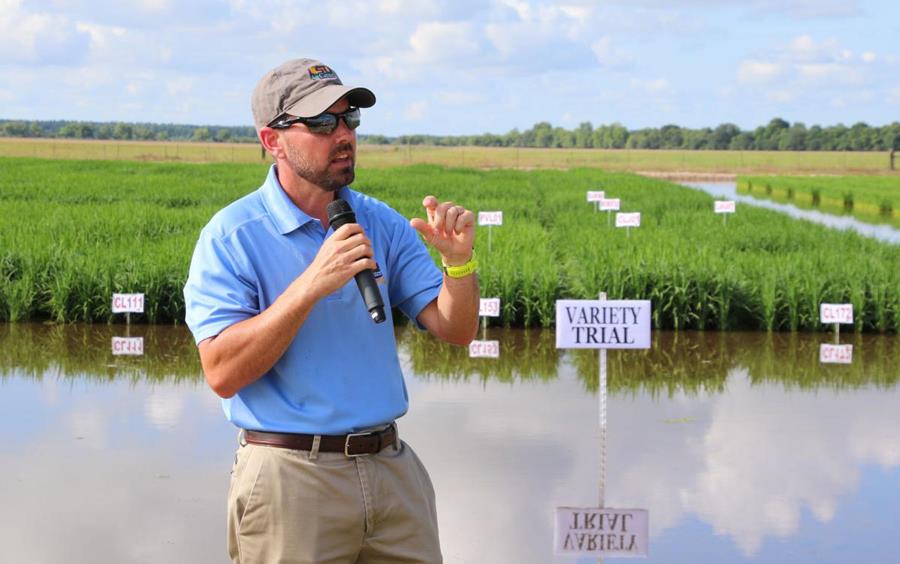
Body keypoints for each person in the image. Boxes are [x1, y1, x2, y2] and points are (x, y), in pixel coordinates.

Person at [183, 58, 480, 564]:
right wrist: (309, 286)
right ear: (272, 140)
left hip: (392, 471)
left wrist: (458, 264)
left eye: (350, 120)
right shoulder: (231, 237)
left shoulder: (379, 222)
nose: (343, 134)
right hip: (290, 478)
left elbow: (455, 329)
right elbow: (222, 372)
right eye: (322, 122)